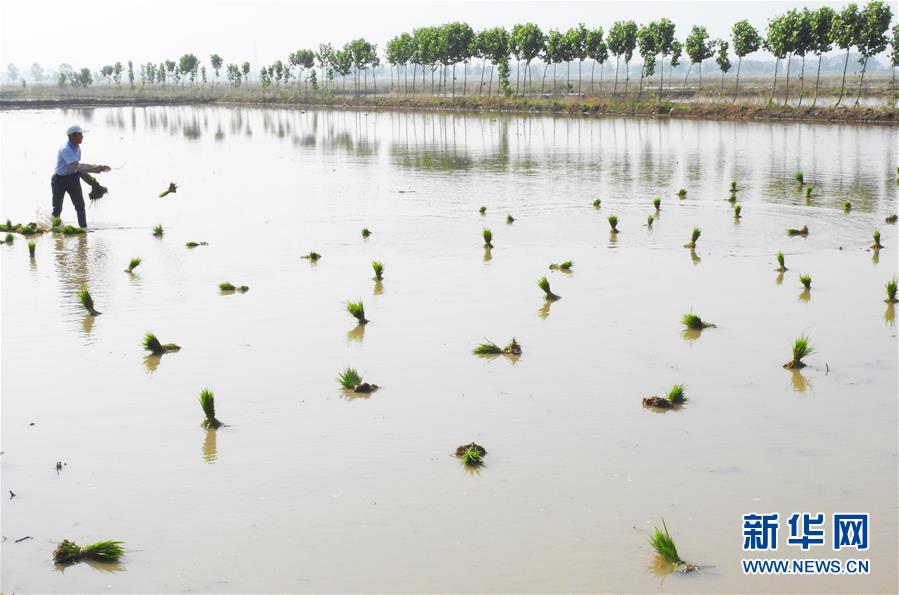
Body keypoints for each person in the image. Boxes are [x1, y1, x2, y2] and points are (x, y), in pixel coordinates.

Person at [52, 125, 111, 228]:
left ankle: (83, 230)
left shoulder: (77, 148)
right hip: (59, 181)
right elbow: (77, 165)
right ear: (73, 136)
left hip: (73, 179)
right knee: (57, 208)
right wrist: (98, 168)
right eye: (80, 135)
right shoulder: (66, 149)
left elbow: (78, 169)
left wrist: (93, 183)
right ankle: (53, 228)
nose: (82, 137)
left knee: (80, 206)